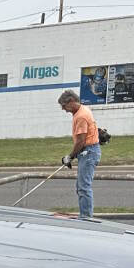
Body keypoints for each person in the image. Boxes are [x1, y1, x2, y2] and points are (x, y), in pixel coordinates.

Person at [58, 89, 100, 218]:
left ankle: (86, 218)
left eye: (64, 106)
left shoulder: (81, 116)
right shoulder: (82, 110)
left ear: (71, 101)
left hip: (88, 152)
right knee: (81, 186)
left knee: (84, 187)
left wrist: (69, 157)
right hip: (87, 151)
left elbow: (81, 141)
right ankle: (85, 216)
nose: (64, 109)